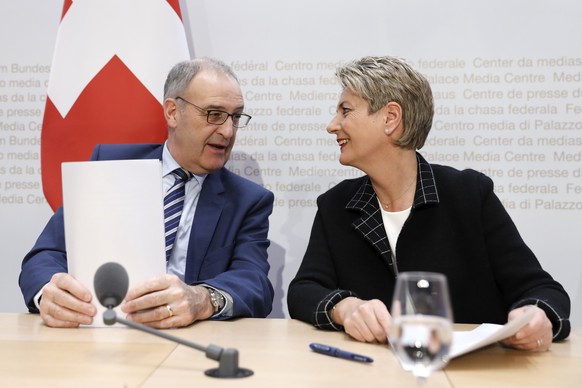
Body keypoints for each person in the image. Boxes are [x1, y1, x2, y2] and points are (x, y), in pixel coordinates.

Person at [287, 56, 570, 351]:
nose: (332, 126)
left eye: (345, 111)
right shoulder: (336, 205)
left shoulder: (470, 194)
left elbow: (543, 290)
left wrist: (538, 314)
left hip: (471, 375)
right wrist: (344, 308)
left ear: (390, 118)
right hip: (372, 373)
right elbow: (303, 291)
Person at [20, 57, 275, 328]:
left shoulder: (247, 200)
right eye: (214, 114)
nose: (227, 131)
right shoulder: (109, 165)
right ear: (173, 112)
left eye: (235, 117)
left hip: (186, 340)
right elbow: (46, 254)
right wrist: (49, 293)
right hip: (102, 329)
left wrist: (203, 298)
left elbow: (254, 281)